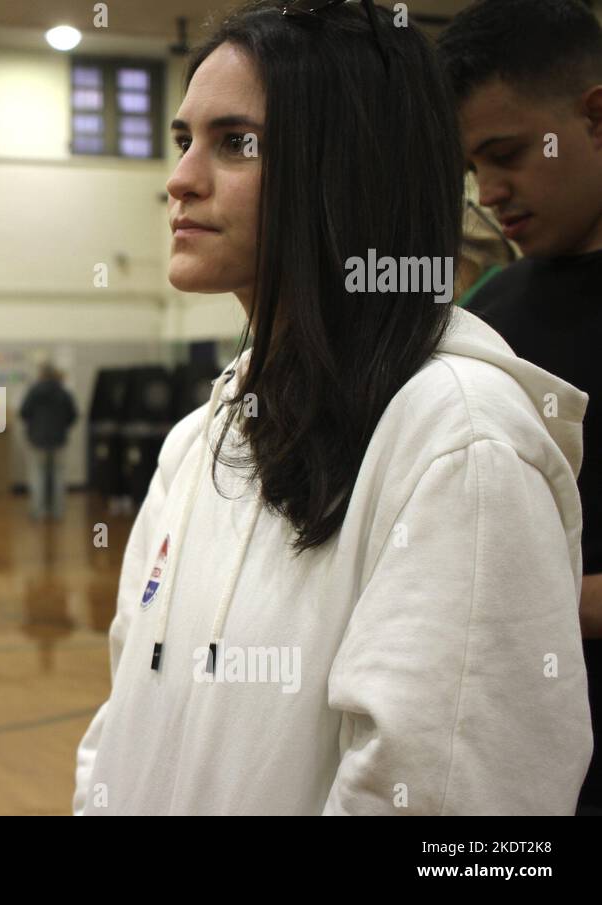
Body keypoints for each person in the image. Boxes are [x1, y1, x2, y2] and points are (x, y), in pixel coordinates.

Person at [74, 0, 591, 815]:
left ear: (347, 166)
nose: (179, 179)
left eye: (234, 143)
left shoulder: (462, 439)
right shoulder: (200, 437)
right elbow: (125, 715)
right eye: (183, 141)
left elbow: (455, 805)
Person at [438, 0, 602, 814]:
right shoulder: (487, 314)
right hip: (520, 770)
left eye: (506, 155)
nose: (489, 192)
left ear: (596, 115)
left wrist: (533, 598)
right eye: (473, 168)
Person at [19, 363, 77, 520]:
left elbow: (23, 412)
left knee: (37, 475)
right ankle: (57, 511)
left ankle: (38, 511)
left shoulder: (34, 391)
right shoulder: (64, 392)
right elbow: (73, 415)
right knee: (58, 475)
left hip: (37, 439)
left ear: (41, 375)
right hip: (59, 439)